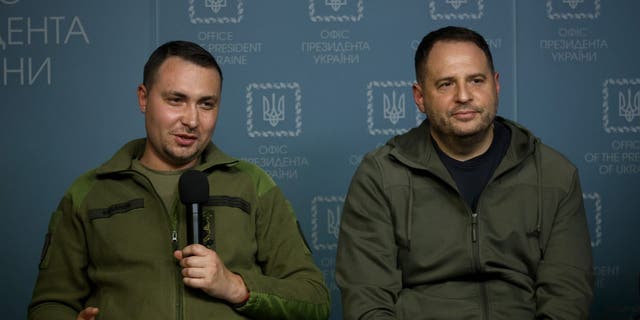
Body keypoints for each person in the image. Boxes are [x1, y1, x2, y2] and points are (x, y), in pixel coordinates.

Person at [28, 40, 330, 320]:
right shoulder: (90, 192)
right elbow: (49, 303)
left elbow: (314, 300)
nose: (192, 120)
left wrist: (236, 287)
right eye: (176, 100)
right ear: (144, 98)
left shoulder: (251, 185)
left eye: (206, 104)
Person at [335, 26, 594, 319]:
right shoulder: (380, 176)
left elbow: (567, 295)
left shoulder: (554, 174)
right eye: (446, 84)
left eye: (476, 80)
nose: (463, 96)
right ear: (420, 97)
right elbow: (367, 299)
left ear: (495, 85)